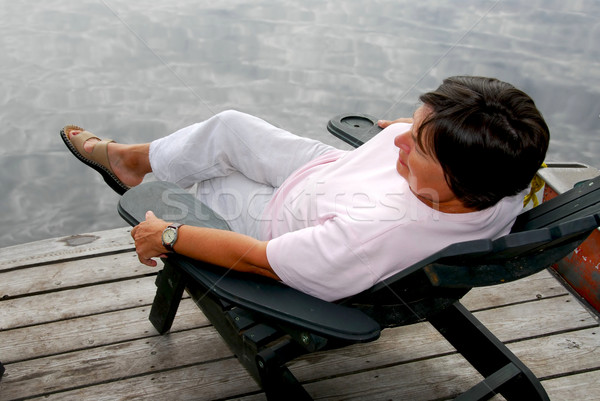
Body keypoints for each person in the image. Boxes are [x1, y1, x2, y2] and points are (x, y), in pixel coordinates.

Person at [60, 76, 549, 302]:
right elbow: (456, 142)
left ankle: (137, 168)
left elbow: (258, 259)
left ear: (454, 176)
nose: (397, 138)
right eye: (417, 124)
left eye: (416, 143)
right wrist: (420, 126)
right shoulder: (505, 170)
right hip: (329, 173)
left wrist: (168, 237)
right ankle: (132, 159)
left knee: (203, 181)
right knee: (229, 126)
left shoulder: (374, 236)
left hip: (284, 217)